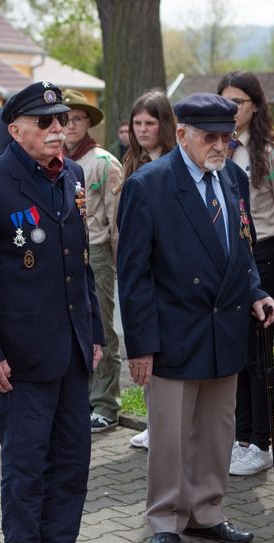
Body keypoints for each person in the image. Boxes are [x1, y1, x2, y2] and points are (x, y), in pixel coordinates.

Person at [0, 81, 104, 543]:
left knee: (71, 452)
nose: (58, 130)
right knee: (26, 455)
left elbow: (80, 263)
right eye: (46, 123)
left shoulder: (73, 175)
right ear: (16, 129)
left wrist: (96, 332)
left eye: (62, 121)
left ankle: (58, 540)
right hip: (20, 353)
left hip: (71, 344)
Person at [117, 93, 274, 543]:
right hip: (173, 331)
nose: (221, 145)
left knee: (216, 429)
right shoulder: (149, 185)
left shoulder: (233, 178)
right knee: (169, 433)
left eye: (226, 136)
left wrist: (255, 291)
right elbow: (134, 275)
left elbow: (241, 248)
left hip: (223, 325)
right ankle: (165, 518)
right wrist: (141, 345)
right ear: (182, 134)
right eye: (209, 136)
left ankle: (207, 511)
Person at [216, 71, 274, 477]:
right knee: (236, 353)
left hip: (263, 254)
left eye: (239, 102)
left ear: (255, 105)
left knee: (257, 352)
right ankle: (240, 436)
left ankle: (261, 442)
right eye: (225, 101)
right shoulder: (217, 147)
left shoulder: (271, 150)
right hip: (227, 256)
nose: (232, 110)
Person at [61, 89, 123, 433]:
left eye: (78, 118)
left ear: (88, 123)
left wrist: (116, 261)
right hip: (65, 251)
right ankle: (82, 396)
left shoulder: (102, 162)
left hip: (97, 251)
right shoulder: (55, 158)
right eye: (65, 118)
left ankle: (106, 403)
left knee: (102, 328)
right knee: (74, 328)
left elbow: (115, 219)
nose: (70, 125)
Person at [119, 90, 177, 450]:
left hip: (163, 269)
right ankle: (154, 422)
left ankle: (166, 425)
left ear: (164, 125)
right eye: (137, 123)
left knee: (160, 348)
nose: (142, 130)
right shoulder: (132, 161)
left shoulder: (173, 164)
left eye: (150, 123)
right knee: (141, 338)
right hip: (136, 261)